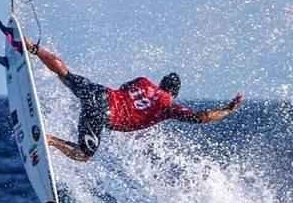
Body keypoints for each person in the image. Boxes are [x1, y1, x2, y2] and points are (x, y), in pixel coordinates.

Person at [24, 39, 244, 162]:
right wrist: (228, 109)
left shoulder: (144, 82)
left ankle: (31, 47)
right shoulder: (168, 105)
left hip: (99, 92)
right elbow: (202, 117)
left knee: (65, 73)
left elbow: (124, 91)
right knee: (84, 155)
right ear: (174, 92)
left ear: (161, 83)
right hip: (102, 112)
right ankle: (49, 140)